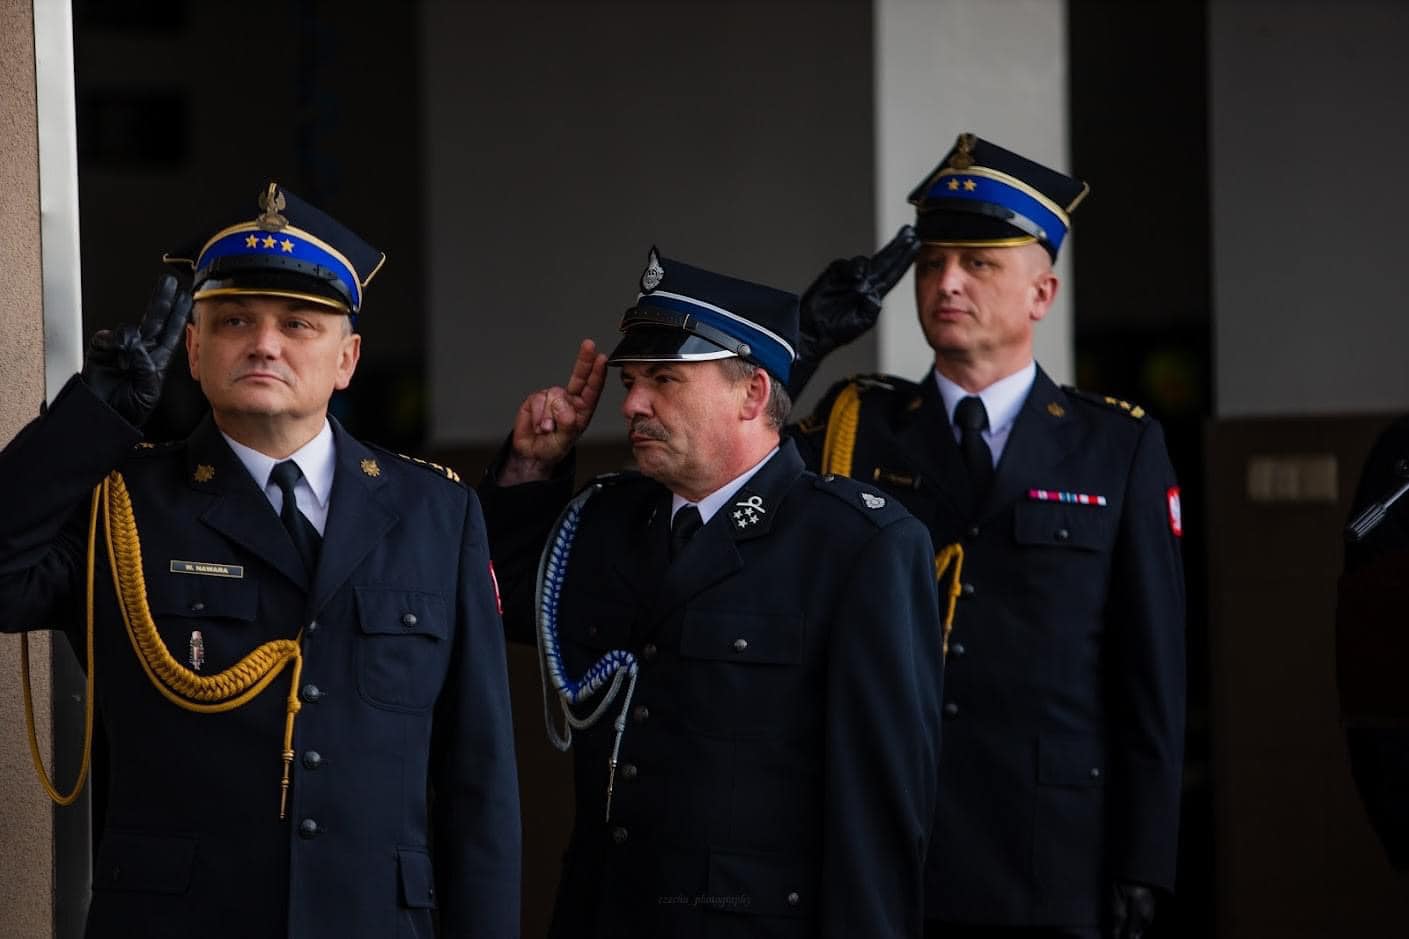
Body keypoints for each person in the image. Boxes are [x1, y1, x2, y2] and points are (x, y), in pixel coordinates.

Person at [0, 183, 520, 938]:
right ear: (193, 349)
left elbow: (479, 781)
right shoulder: (124, 502)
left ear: (347, 359)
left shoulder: (435, 513)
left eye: (298, 323)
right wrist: (92, 418)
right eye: (235, 320)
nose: (265, 344)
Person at [478, 248, 943, 938]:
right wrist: (532, 468)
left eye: (663, 379)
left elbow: (876, 813)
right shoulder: (608, 518)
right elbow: (508, 603)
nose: (631, 404)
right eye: (631, 381)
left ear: (752, 394)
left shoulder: (855, 545)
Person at [791, 134, 1187, 939]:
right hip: (887, 842)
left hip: (1048, 849)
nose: (946, 282)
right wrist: (799, 345)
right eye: (933, 262)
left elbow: (1150, 672)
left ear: (1041, 293)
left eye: (977, 263)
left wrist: (1143, 855)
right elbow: (737, 471)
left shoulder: (1116, 446)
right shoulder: (858, 426)